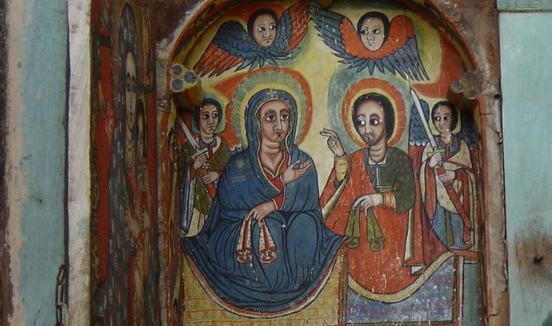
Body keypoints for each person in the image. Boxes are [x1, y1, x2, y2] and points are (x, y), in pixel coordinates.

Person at [183, 88, 345, 313]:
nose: (279, 125)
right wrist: (282, 181)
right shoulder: (239, 165)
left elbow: (308, 205)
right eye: (270, 117)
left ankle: (294, 289)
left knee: (306, 225)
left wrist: (273, 205)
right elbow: (230, 202)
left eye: (284, 117)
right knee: (269, 227)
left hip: (289, 233)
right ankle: (268, 290)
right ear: (256, 122)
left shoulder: (301, 161)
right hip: (239, 230)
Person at [320, 91, 447, 296]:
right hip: (362, 240)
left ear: (387, 122)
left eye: (374, 121)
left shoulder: (399, 158)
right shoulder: (357, 158)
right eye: (361, 122)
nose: (367, 129)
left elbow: (407, 197)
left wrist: (379, 199)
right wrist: (340, 157)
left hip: (395, 235)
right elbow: (341, 190)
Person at [415, 100, 478, 250]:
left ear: (453, 119)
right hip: (437, 204)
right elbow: (422, 176)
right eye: (437, 118)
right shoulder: (430, 147)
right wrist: (429, 165)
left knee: (458, 241)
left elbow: (471, 176)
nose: (441, 123)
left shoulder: (461, 146)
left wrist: (455, 175)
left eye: (446, 118)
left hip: (458, 201)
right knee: (441, 239)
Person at [177, 97, 232, 237]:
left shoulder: (223, 147)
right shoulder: (188, 148)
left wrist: (218, 175)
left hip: (218, 205)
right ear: (198, 119)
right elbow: (178, 179)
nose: (211, 121)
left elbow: (232, 173)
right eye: (205, 116)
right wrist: (193, 167)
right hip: (195, 207)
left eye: (215, 116)